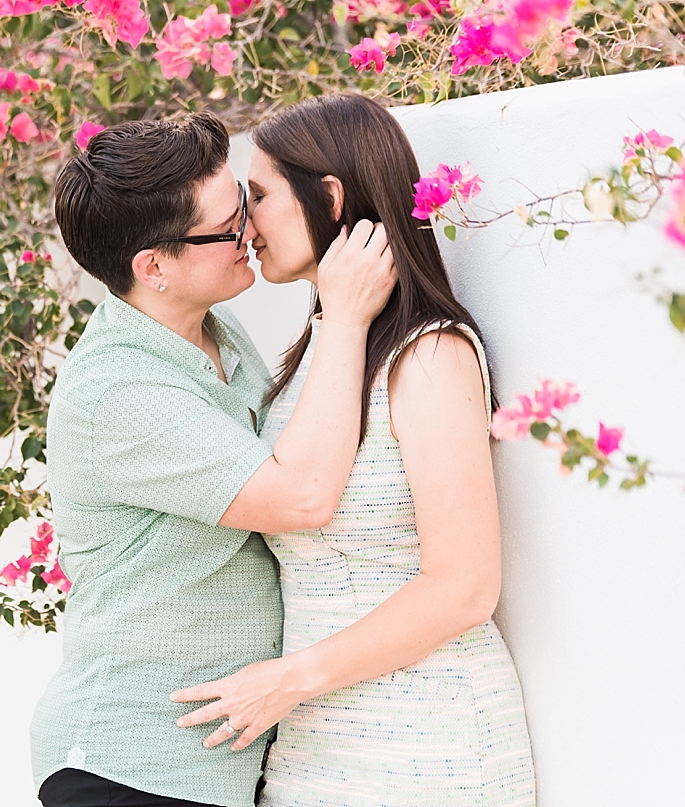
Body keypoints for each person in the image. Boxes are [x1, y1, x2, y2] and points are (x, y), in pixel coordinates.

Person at [170, 94, 536, 806]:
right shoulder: (324, 345)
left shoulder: (428, 354)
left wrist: (288, 677)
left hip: (430, 746)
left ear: (329, 197)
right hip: (315, 744)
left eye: (260, 195)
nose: (245, 222)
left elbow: (464, 586)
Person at [31, 112, 395, 807]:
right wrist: (344, 316)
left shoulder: (216, 335)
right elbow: (302, 498)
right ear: (154, 267)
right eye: (227, 228)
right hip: (132, 765)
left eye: (245, 206)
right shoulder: (121, 390)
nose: (249, 234)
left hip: (212, 764)